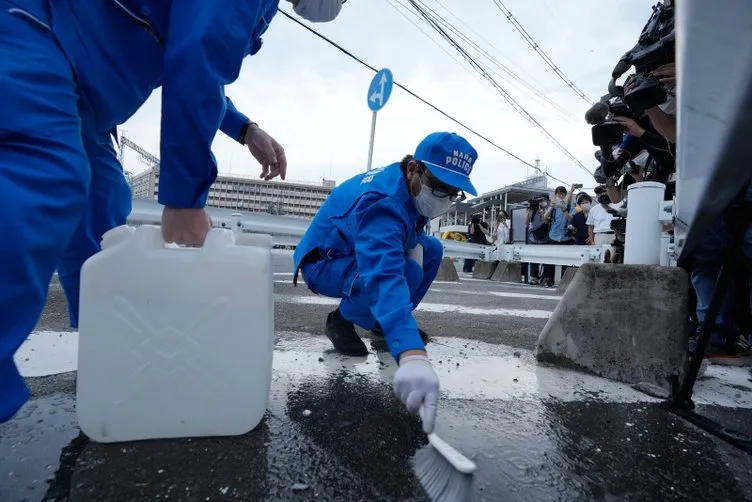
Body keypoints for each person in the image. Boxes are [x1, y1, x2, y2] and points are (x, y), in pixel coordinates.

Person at [0, 0, 347, 423]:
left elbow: (187, 49)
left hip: (80, 83)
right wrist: (184, 198)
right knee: (41, 179)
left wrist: (244, 128)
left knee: (103, 201)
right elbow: (198, 52)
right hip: (37, 29)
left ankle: (109, 348)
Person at [292, 132, 479, 434]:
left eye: (453, 192)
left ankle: (380, 323)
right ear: (414, 169)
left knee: (432, 251)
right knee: (406, 272)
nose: (444, 199)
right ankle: (340, 321)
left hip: (353, 251)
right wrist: (411, 352)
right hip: (325, 262)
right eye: (439, 187)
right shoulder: (383, 203)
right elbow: (384, 275)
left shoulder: (409, 190)